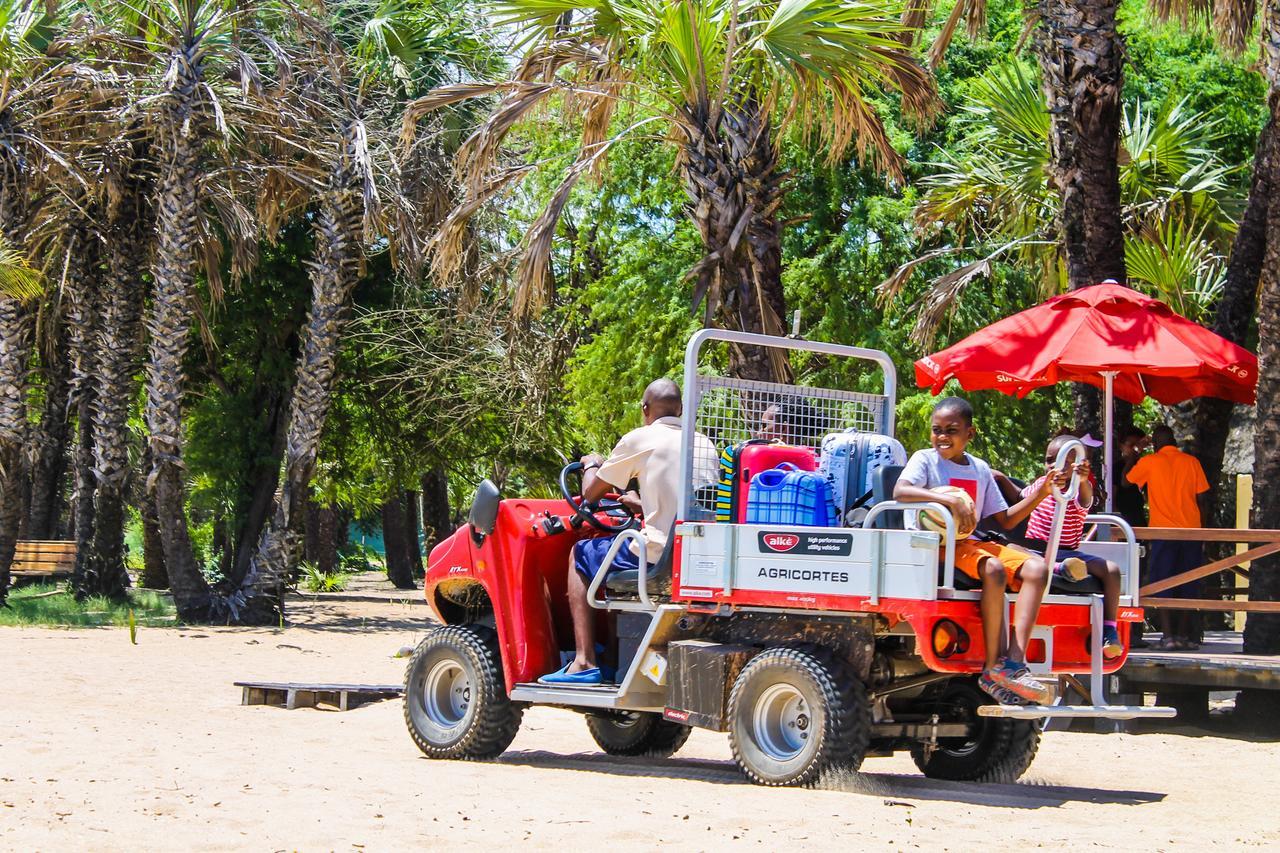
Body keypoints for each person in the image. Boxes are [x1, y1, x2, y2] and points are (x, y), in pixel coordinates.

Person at [541, 379, 717, 684]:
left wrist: (591, 464)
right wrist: (641, 504)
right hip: (694, 556)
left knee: (582, 554)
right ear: (682, 409)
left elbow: (591, 495)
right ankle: (611, 658)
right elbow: (683, 500)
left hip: (658, 556)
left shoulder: (641, 438)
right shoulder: (703, 442)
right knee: (612, 555)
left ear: (645, 409)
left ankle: (583, 661)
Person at [894, 397, 1067, 704]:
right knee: (994, 569)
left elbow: (1006, 519)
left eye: (952, 429)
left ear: (969, 434)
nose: (942, 436)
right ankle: (991, 667)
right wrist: (950, 500)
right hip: (933, 545)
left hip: (968, 543)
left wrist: (1041, 493)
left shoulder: (980, 469)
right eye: (937, 430)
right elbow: (900, 491)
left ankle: (1013, 662)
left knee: (1038, 569)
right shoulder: (924, 459)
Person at [1020, 434, 1125, 659]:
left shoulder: (1076, 489)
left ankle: (1109, 629)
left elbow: (1085, 500)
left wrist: (1084, 480)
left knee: (1113, 570)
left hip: (1067, 551)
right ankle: (1060, 569)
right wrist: (998, 478)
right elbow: (1020, 499)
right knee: (1011, 548)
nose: (1054, 466)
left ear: (1075, 466)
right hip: (1036, 550)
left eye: (1063, 462)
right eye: (1050, 460)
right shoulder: (1041, 483)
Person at [1126, 424, 1211, 651]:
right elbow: (1202, 500)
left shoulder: (1150, 461)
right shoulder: (1192, 462)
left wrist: (1135, 453)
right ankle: (1183, 635)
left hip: (1162, 532)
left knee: (1162, 581)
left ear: (1155, 443)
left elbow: (1126, 482)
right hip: (1191, 532)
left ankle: (1168, 636)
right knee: (1188, 581)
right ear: (1174, 441)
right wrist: (1203, 531)